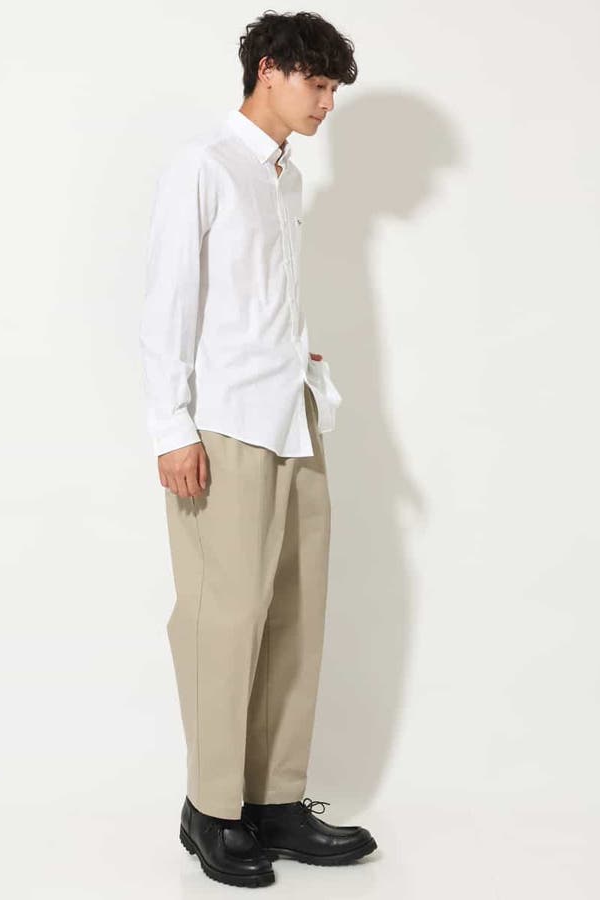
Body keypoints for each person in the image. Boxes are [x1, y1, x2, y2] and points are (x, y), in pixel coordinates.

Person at [139, 11, 377, 888]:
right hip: (225, 426)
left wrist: (302, 360)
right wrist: (171, 427)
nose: (326, 103)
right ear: (269, 70)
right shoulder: (204, 167)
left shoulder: (284, 177)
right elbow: (169, 303)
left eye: (333, 89)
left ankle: (274, 801)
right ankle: (211, 809)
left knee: (295, 614)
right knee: (223, 616)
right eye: (318, 84)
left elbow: (259, 297)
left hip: (292, 415)